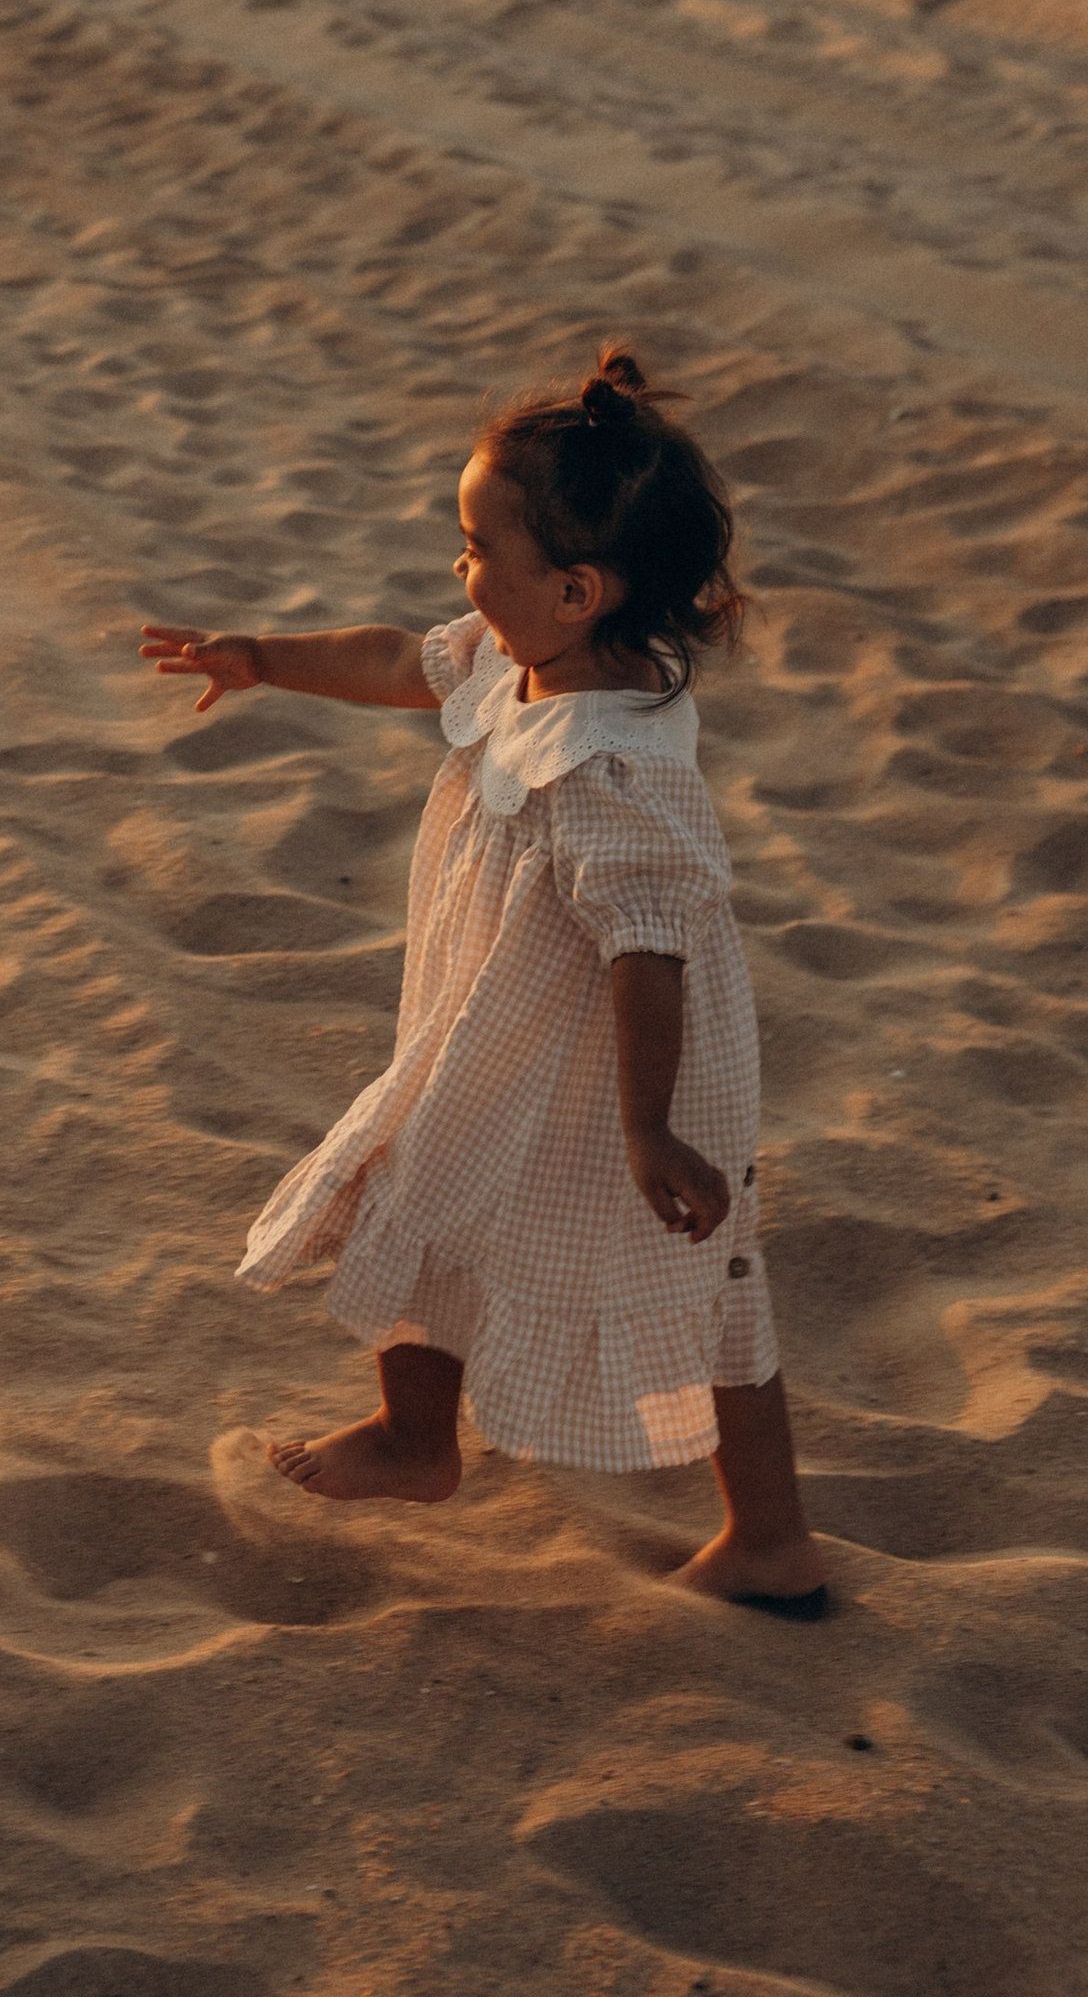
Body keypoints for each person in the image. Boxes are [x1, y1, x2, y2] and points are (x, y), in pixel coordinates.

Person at [140, 346, 826, 1617]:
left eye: (475, 549)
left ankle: (770, 1536)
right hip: (505, 1029)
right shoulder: (531, 664)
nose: (459, 574)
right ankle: (415, 1442)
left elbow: (647, 950)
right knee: (436, 1183)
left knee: (707, 1278)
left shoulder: (609, 767)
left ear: (572, 589)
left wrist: (646, 1124)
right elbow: (401, 660)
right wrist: (261, 656)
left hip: (630, 1067)